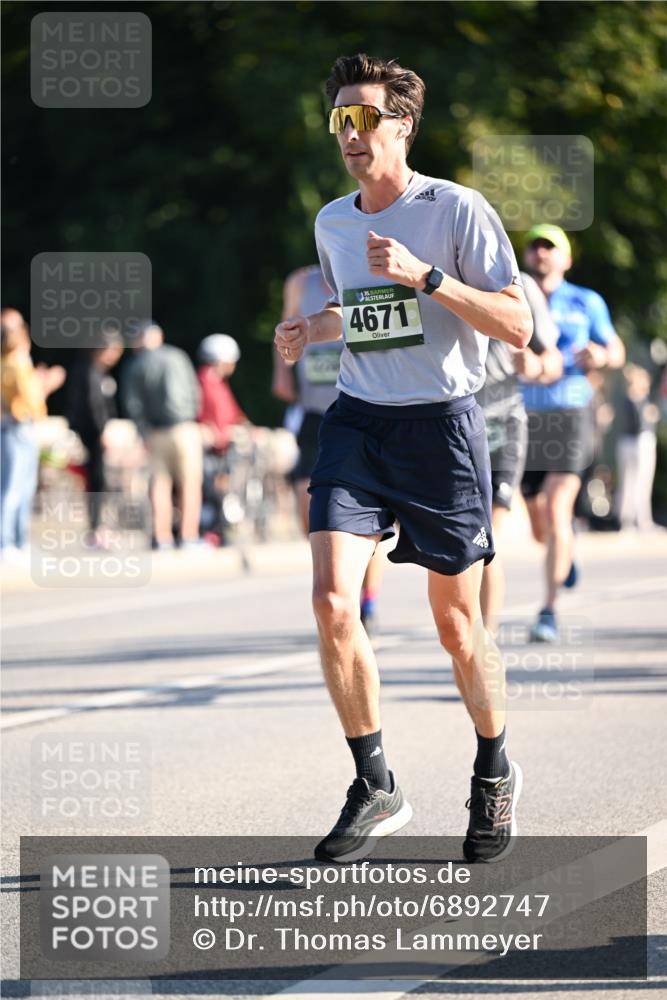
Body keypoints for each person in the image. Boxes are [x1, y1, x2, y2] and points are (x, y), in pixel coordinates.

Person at [275, 54, 533, 865]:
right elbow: (364, 316)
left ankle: (493, 767)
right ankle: (375, 781)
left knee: (459, 629)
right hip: (358, 423)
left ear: (402, 125)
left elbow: (516, 326)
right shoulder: (332, 223)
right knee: (329, 602)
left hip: (442, 430)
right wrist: (310, 330)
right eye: (338, 120)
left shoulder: (456, 210)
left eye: (364, 118)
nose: (350, 134)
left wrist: (427, 276)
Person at [520, 225, 625, 642]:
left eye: (550, 247)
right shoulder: (515, 299)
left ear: (565, 258)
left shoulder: (586, 301)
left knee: (557, 508)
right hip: (524, 416)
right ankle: (564, 552)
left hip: (570, 410)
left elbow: (616, 350)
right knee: (538, 521)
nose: (541, 253)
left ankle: (548, 611)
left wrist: (601, 353)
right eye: (534, 246)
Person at [272, 265, 387, 636]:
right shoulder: (299, 281)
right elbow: (286, 325)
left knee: (365, 515)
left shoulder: (366, 275)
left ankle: (365, 598)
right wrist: (282, 370)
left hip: (356, 408)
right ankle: (335, 586)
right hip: (312, 408)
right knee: (311, 512)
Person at [477, 272, 563, 634]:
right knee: (466, 543)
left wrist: (537, 367)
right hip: (449, 428)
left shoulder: (518, 284)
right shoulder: (431, 272)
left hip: (502, 425)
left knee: (484, 539)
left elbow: (552, 361)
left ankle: (486, 642)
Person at [122, 321, 203, 550]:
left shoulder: (135, 365)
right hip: (185, 428)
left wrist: (142, 431)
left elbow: (133, 404)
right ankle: (189, 536)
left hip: (155, 431)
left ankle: (163, 536)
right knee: (190, 484)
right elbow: (195, 391)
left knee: (160, 485)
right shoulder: (178, 357)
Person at [1, 308, 65, 561]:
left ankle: (17, 541)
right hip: (16, 427)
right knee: (13, 488)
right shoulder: (14, 362)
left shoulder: (17, 361)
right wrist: (47, 382)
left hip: (20, 428)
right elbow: (27, 401)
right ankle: (7, 542)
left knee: (24, 487)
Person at [65, 328, 124, 544]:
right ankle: (95, 529)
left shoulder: (101, 373)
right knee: (96, 481)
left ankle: (100, 526)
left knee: (102, 482)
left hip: (98, 434)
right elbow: (92, 406)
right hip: (90, 436)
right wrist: (101, 431)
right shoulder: (88, 371)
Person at [615, 364, 659, 531]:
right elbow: (639, 424)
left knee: (637, 481)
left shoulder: (636, 398)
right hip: (637, 442)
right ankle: (631, 520)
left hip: (632, 442)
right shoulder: (634, 399)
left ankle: (638, 519)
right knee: (635, 482)